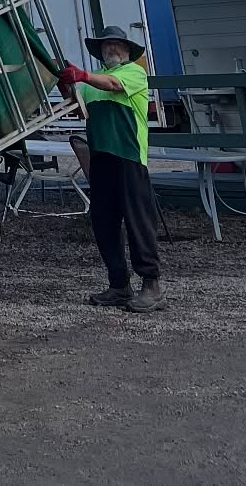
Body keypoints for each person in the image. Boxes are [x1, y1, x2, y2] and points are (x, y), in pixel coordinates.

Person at [58, 25, 163, 313]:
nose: (112, 49)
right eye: (107, 46)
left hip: (129, 157)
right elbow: (78, 106)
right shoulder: (92, 83)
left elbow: (113, 85)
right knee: (104, 223)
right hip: (101, 157)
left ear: (128, 51)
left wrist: (81, 75)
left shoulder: (133, 73)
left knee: (138, 222)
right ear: (101, 52)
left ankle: (152, 286)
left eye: (117, 45)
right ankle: (119, 284)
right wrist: (65, 83)